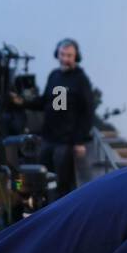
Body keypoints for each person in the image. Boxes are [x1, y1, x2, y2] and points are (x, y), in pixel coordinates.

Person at [37, 38, 94, 198]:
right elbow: (48, 102)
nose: (65, 59)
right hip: (49, 137)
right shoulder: (55, 76)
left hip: (67, 141)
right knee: (43, 175)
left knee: (62, 181)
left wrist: (80, 140)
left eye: (69, 56)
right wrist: (21, 102)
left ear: (76, 57)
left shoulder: (80, 79)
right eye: (62, 54)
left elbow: (88, 112)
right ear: (57, 54)